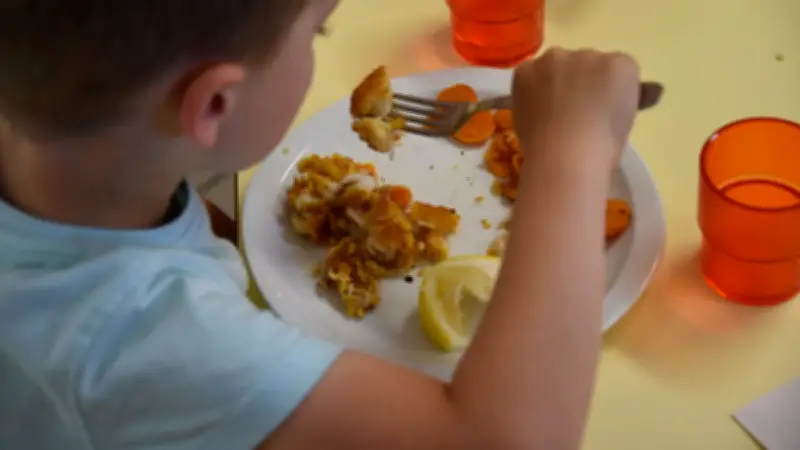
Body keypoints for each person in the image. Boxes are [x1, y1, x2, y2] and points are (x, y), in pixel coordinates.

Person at [0, 1, 644, 449]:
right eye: (319, 34)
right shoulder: (141, 335)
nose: (316, 50)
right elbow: (506, 439)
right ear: (215, 104)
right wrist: (573, 148)